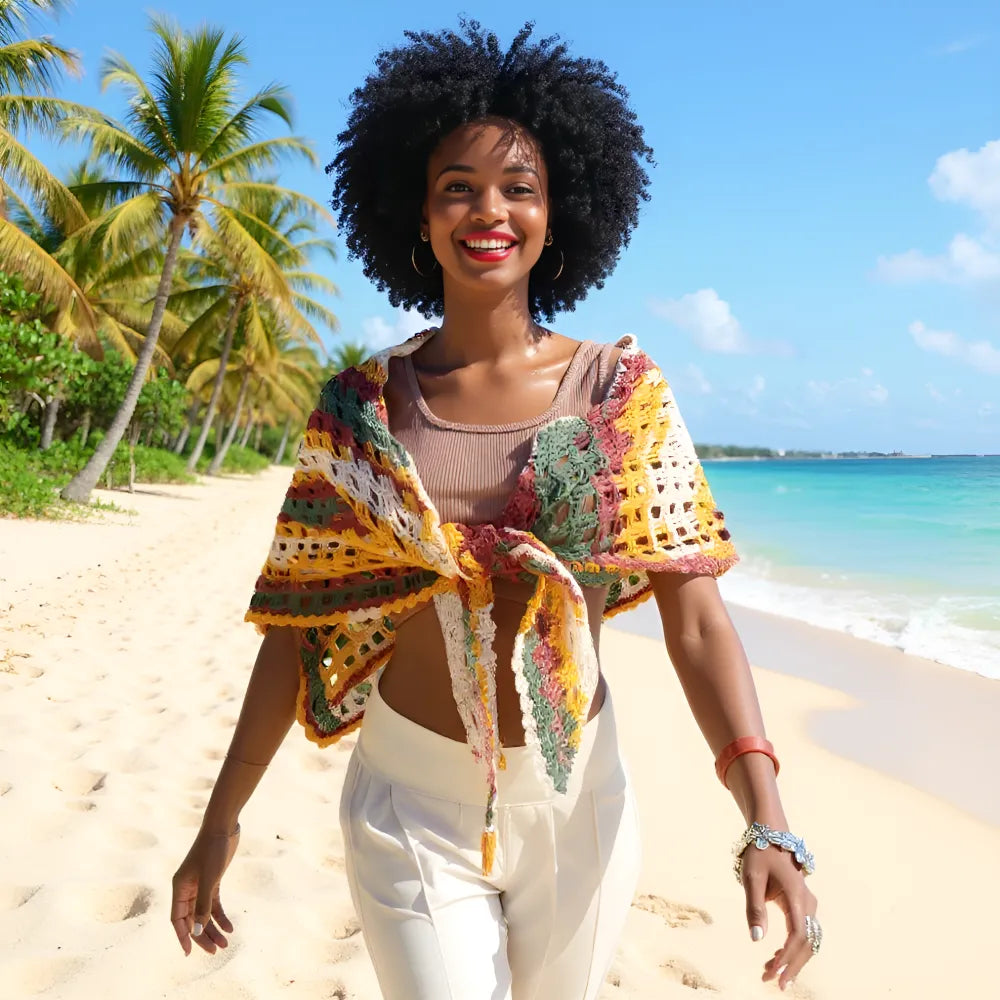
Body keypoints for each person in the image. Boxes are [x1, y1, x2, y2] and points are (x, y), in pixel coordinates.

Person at [171, 21, 821, 999]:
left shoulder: (620, 393)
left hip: (578, 806)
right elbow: (296, 628)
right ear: (416, 214)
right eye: (457, 187)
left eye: (519, 187)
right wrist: (220, 821)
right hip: (409, 807)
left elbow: (695, 620)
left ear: (559, 214)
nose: (489, 210)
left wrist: (765, 817)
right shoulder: (361, 409)